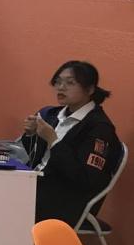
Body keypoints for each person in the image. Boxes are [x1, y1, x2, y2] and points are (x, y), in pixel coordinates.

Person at [19, 60, 122, 226]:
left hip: (65, 198)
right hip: (38, 183)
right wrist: (30, 134)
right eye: (58, 82)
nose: (61, 87)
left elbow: (85, 179)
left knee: (4, 199)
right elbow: (35, 157)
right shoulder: (52, 114)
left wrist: (53, 140)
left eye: (70, 83)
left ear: (90, 89)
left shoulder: (99, 128)